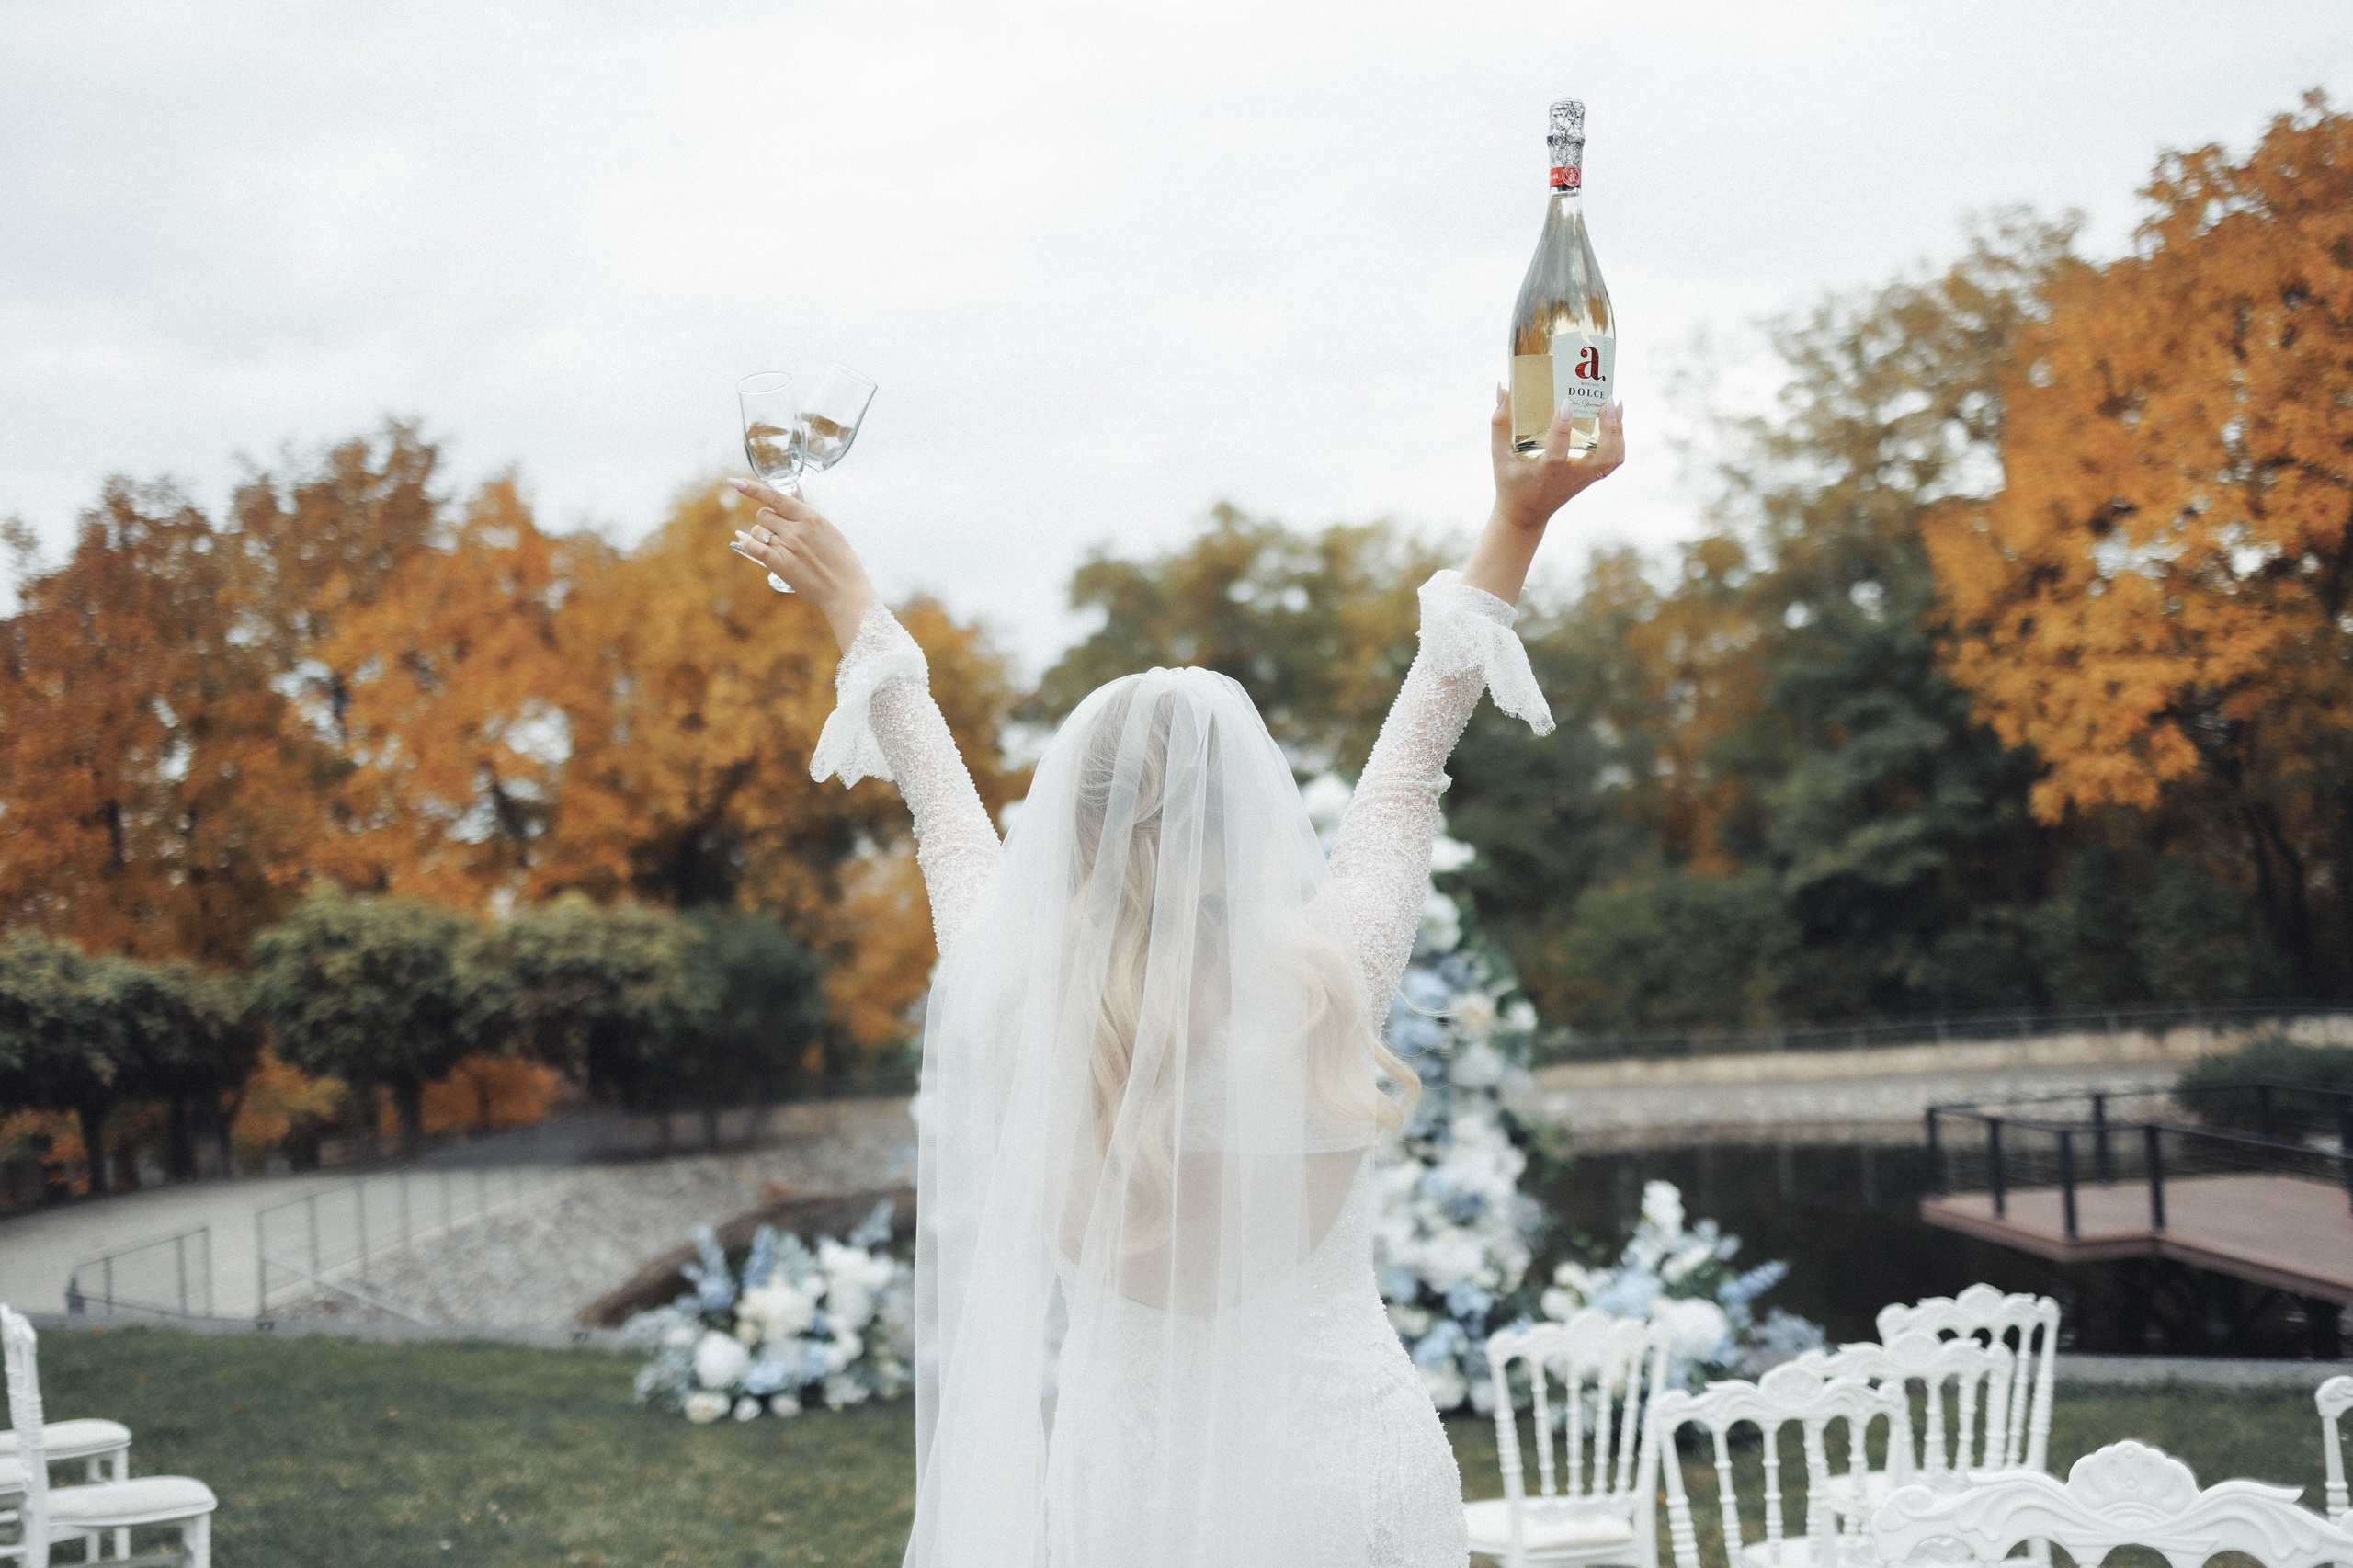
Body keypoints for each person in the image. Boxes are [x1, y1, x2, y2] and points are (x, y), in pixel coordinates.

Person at [727, 391, 1625, 1568]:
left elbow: (939, 803)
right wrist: (1517, 521)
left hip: (1130, 1484)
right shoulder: (1332, 976)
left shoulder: (1012, 994)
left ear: (1069, 830)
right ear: (1250, 825)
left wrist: (854, 605)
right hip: (1341, 1475)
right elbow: (1412, 763)